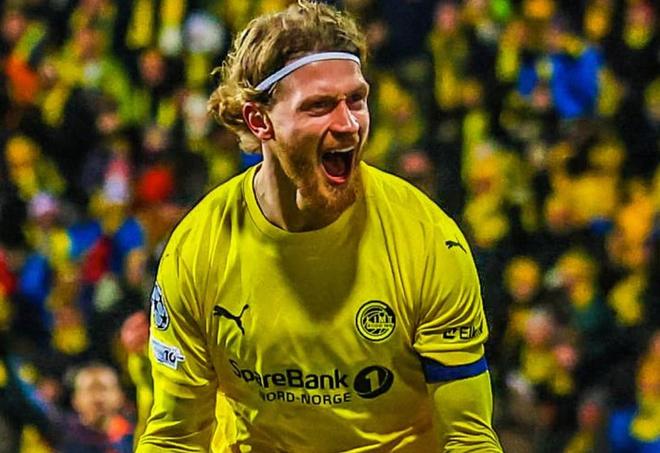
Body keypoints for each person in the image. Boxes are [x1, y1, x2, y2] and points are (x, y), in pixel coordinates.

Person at [137, 1, 502, 451]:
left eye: (357, 100)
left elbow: (468, 437)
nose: (348, 124)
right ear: (260, 120)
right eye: (320, 106)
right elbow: (175, 439)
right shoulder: (198, 248)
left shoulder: (428, 241)